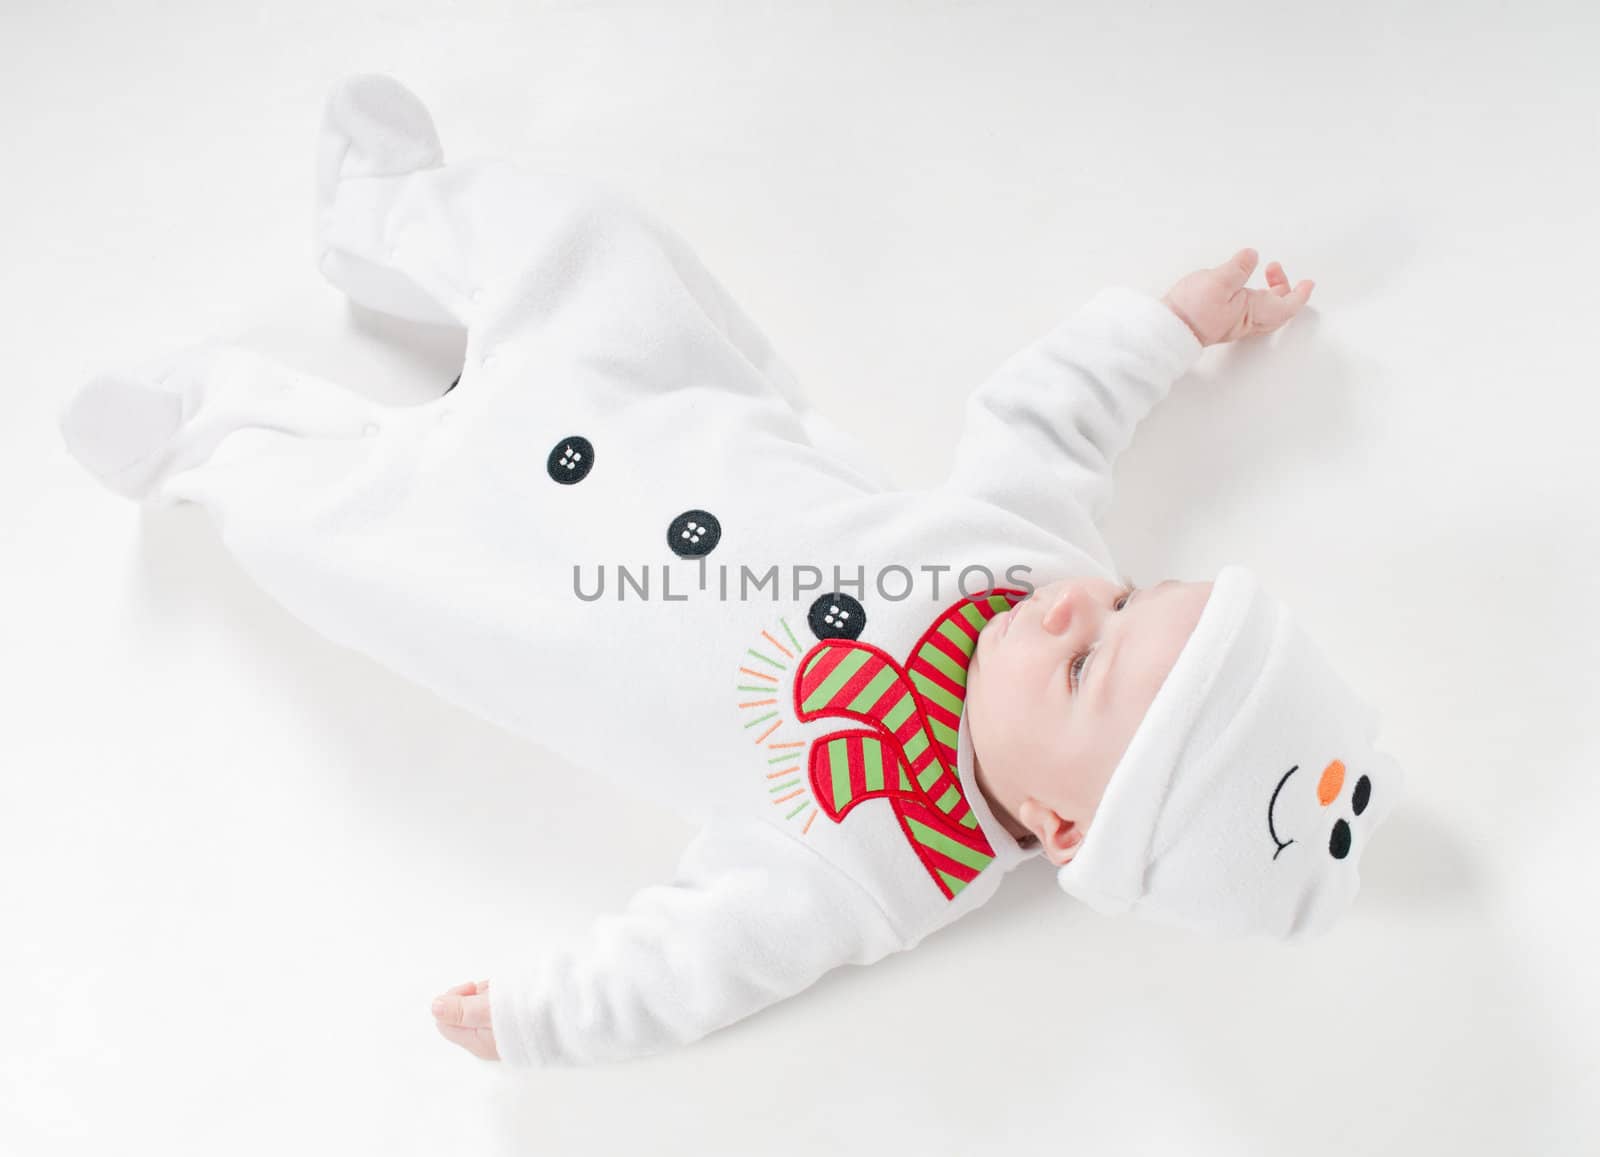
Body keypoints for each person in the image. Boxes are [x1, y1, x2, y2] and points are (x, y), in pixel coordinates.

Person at [58, 74, 1403, 1067]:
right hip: (653, 401)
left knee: (337, 536)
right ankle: (386, 209)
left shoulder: (887, 863)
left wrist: (544, 1012)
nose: (1075, 600)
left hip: (513, 571)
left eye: (1089, 662)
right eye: (1124, 598)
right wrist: (1169, 323)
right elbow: (1050, 412)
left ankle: (198, 433)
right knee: (594, 245)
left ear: (1063, 829)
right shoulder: (1031, 552)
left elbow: (704, 953)